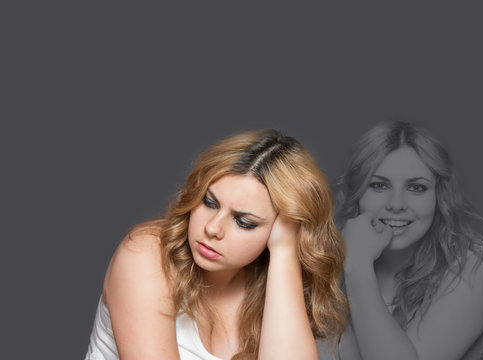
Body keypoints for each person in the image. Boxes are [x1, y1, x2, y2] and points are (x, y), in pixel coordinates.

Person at [85, 129, 348, 360]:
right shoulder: (146, 255)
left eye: (244, 222)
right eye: (209, 203)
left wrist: (284, 250)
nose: (212, 228)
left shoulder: (267, 288)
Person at [334, 120, 483, 360]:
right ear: (357, 195)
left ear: (439, 196)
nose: (396, 204)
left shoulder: (477, 267)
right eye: (379, 185)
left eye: (416, 188)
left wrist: (357, 265)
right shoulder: (325, 270)